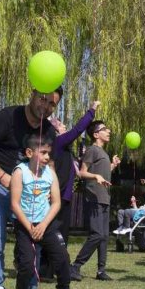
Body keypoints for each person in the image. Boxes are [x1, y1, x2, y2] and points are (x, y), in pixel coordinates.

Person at [0, 90, 58, 289]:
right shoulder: (8, 117)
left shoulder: (48, 129)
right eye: (43, 99)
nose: (46, 106)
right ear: (32, 95)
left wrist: (50, 187)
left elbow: (49, 163)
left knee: (33, 241)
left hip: (29, 193)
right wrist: (3, 177)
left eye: (51, 104)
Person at [8, 133, 73, 289]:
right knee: (27, 264)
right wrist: (30, 227)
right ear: (29, 152)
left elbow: (56, 202)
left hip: (46, 224)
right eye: (43, 152)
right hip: (25, 225)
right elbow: (14, 204)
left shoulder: (50, 173)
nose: (47, 157)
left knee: (62, 259)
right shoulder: (20, 172)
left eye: (48, 153)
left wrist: (43, 225)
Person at [71, 120, 121, 281]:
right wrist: (95, 176)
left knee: (104, 236)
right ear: (96, 134)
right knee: (97, 234)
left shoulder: (103, 153)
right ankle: (75, 266)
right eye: (104, 129)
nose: (109, 131)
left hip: (104, 197)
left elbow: (102, 174)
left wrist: (112, 166)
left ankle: (101, 271)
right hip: (93, 197)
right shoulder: (92, 150)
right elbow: (81, 172)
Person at [50, 97, 100, 243]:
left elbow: (78, 172)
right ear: (55, 130)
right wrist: (92, 111)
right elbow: (78, 129)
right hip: (57, 195)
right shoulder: (58, 142)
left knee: (63, 234)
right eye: (60, 124)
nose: (64, 125)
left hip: (65, 196)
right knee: (55, 233)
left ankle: (59, 264)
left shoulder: (65, 149)